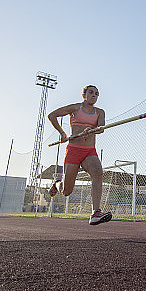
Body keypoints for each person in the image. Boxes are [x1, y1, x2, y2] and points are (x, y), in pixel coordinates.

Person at [47, 85, 111, 225]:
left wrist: (92, 130)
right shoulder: (75, 108)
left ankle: (95, 213)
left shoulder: (100, 112)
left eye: (96, 94)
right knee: (66, 191)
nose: (94, 95)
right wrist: (62, 133)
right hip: (74, 150)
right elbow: (52, 116)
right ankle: (57, 182)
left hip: (89, 151)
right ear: (84, 95)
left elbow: (101, 129)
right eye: (91, 92)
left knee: (98, 172)